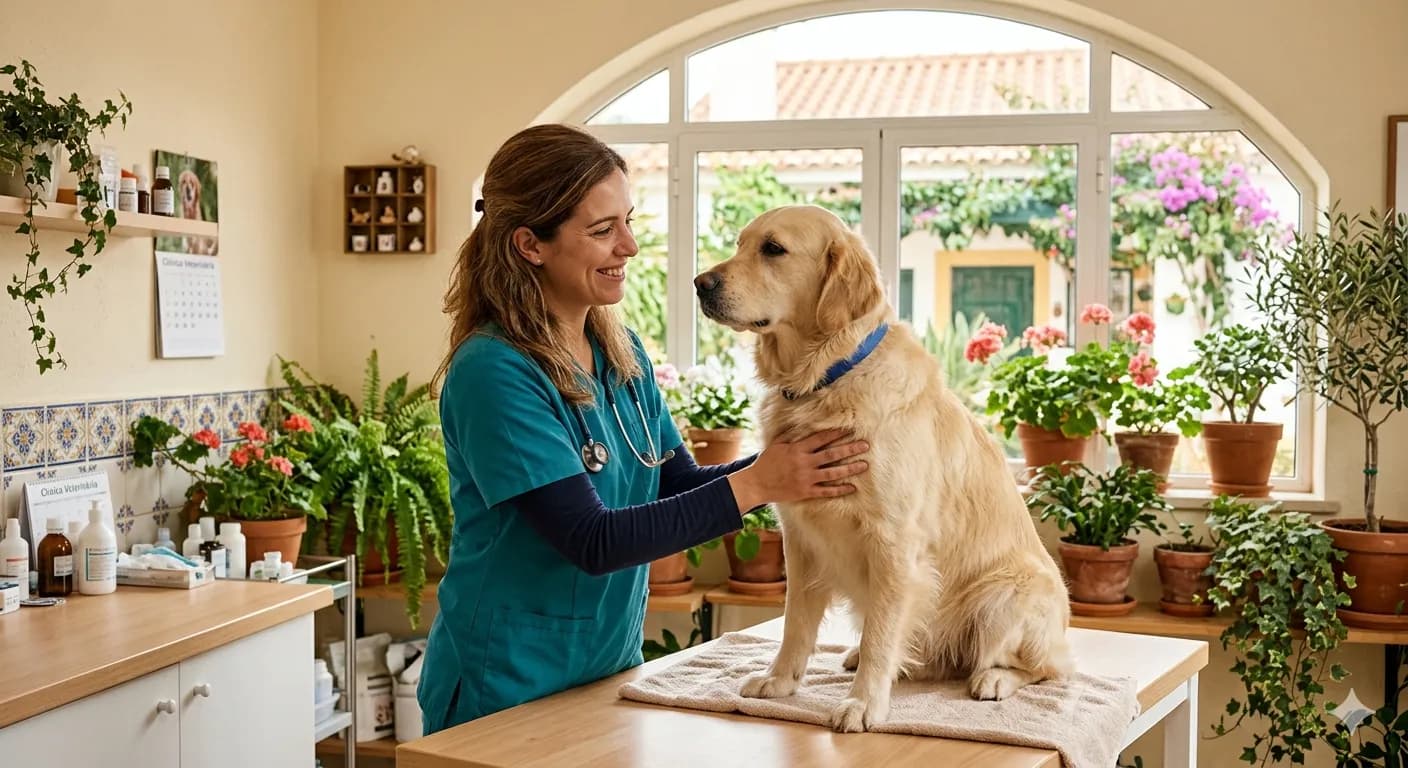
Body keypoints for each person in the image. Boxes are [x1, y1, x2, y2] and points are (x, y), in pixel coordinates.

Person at [416, 123, 871, 734]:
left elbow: (673, 482)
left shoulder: (619, 351)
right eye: (602, 230)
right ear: (530, 244)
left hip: (604, 674)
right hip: (504, 686)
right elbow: (592, 540)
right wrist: (762, 482)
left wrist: (797, 468)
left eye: (627, 222)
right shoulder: (493, 371)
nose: (628, 246)